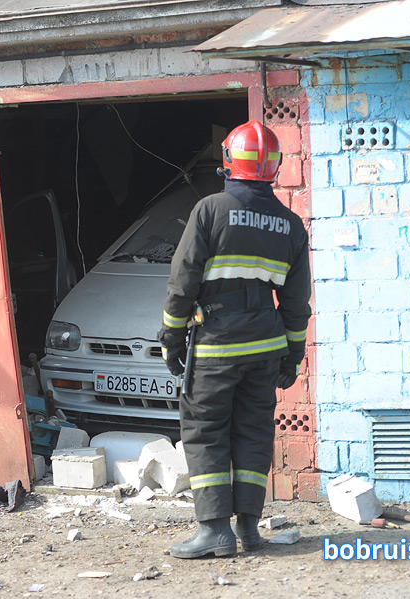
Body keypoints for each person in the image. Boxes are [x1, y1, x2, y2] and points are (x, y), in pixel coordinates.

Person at [158, 120, 312, 558]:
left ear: (229, 161)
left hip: (216, 348)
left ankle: (214, 532)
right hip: (265, 348)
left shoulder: (210, 210)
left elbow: (182, 283)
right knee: (253, 433)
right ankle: (248, 529)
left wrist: (171, 337)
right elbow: (297, 301)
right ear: (274, 167)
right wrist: (292, 354)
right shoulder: (290, 225)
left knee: (206, 433)